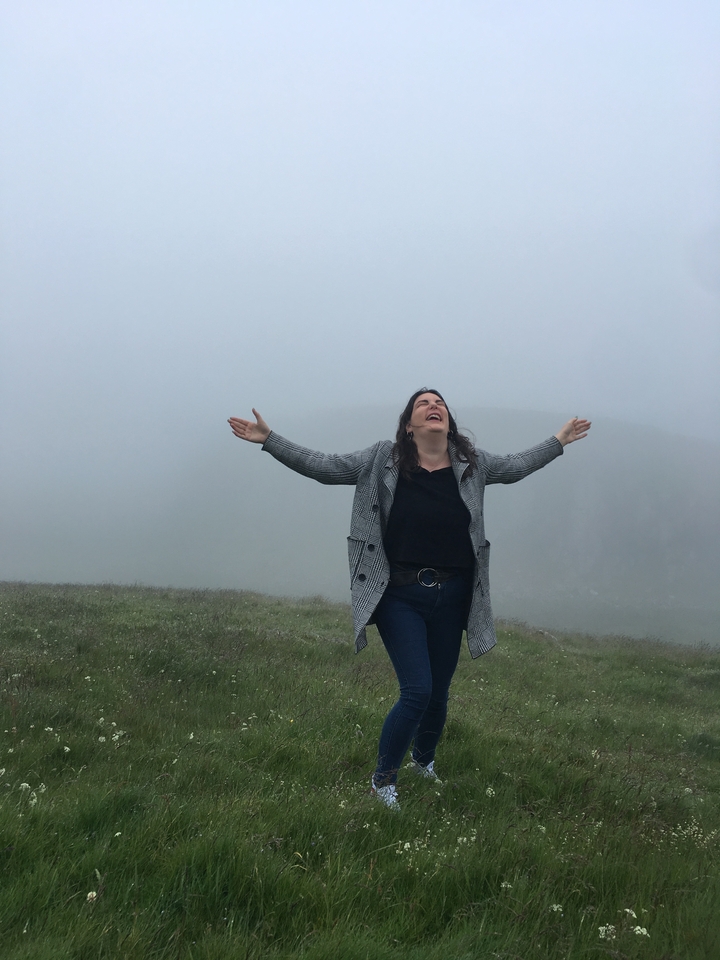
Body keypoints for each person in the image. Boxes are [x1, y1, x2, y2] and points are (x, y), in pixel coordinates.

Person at [228, 390, 591, 809]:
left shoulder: (473, 465)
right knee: (417, 690)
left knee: (439, 693)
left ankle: (423, 761)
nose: (434, 406)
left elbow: (516, 466)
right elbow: (325, 467)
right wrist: (270, 439)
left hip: (453, 594)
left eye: (440, 403)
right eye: (423, 404)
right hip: (398, 593)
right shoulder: (381, 459)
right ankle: (383, 782)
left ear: (448, 421)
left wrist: (559, 441)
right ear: (408, 425)